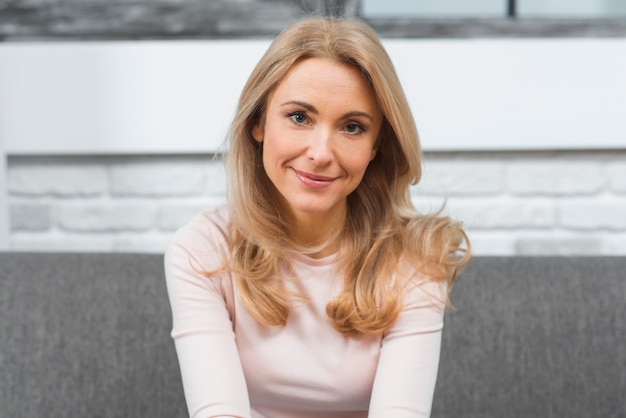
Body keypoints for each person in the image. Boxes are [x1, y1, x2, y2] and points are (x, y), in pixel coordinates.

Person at [164, 15, 470, 418]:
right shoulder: (202, 250)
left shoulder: (414, 258)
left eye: (352, 127)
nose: (321, 152)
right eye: (299, 117)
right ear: (257, 122)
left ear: (377, 145)